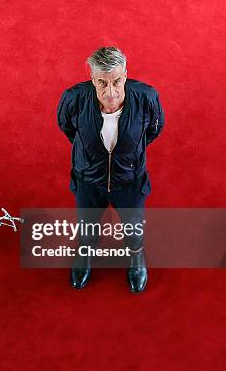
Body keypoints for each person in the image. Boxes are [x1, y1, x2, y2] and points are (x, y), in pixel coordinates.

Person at [57, 47, 165, 293]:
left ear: (125, 75)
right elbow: (68, 128)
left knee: (133, 226)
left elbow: (154, 130)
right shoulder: (74, 98)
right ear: (92, 80)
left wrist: (128, 154)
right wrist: (90, 156)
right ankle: (85, 253)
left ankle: (136, 256)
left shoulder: (147, 97)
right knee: (87, 225)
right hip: (88, 178)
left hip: (129, 179)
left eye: (116, 81)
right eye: (102, 83)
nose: (110, 92)